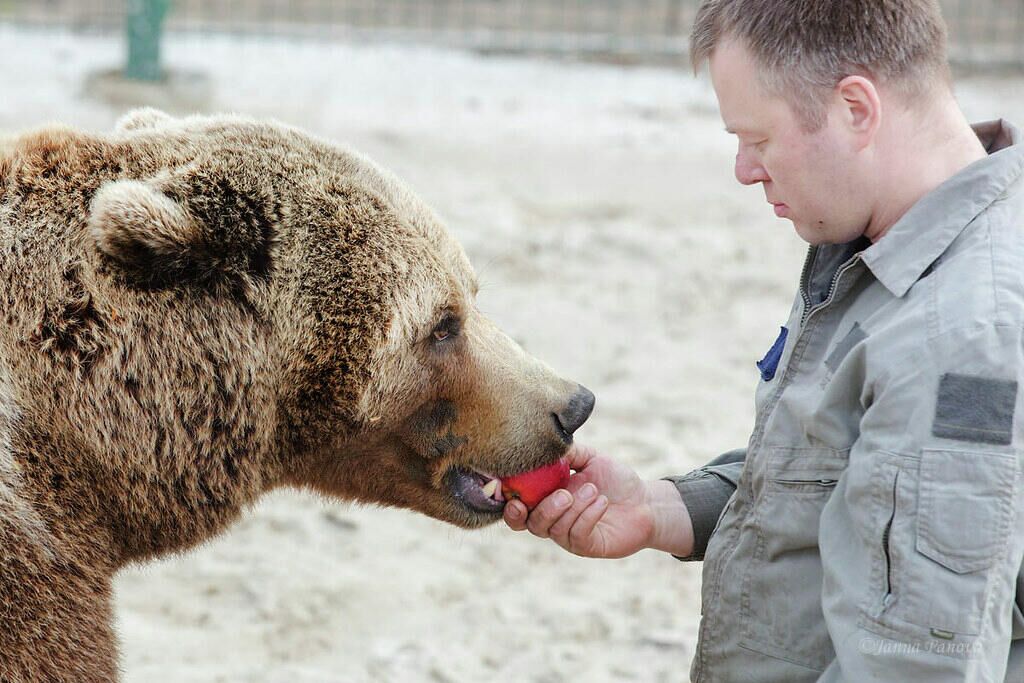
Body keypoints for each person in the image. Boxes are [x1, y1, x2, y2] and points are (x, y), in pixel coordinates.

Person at [503, 1, 1024, 680]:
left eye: (759, 139)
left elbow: (917, 665)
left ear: (855, 110)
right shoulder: (889, 242)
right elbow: (854, 480)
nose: (745, 170)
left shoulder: (958, 338)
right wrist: (663, 508)